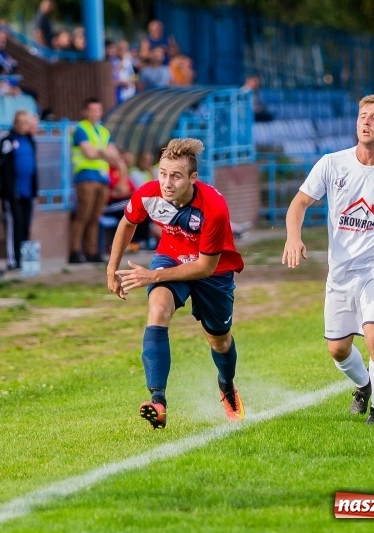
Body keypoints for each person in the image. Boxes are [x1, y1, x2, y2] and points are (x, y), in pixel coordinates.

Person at [282, 94, 374, 425]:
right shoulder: (332, 163)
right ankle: (364, 386)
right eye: (363, 115)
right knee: (338, 349)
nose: (366, 121)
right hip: (341, 272)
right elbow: (299, 203)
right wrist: (293, 236)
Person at [107, 138, 245, 429]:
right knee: (157, 310)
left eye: (176, 176)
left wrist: (152, 276)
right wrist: (111, 268)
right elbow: (127, 223)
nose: (167, 183)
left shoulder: (214, 208)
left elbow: (204, 267)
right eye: (163, 173)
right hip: (170, 257)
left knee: (219, 340)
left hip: (214, 271)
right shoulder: (148, 194)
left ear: (193, 178)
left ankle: (227, 385)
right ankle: (158, 401)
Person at [69, 97, 125, 264]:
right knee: (83, 215)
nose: (95, 113)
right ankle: (75, 251)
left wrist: (102, 153)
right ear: (85, 112)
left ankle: (91, 251)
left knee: (96, 216)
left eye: (98, 110)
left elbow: (113, 154)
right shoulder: (81, 129)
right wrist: (105, 153)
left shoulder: (103, 131)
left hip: (102, 177)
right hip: (86, 176)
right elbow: (89, 153)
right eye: (92, 110)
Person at [0, 110, 38, 271]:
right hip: (12, 193)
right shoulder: (5, 139)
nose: (22, 125)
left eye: (25, 122)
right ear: (14, 122)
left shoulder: (30, 140)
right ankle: (12, 260)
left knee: (24, 226)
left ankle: (23, 259)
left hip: (28, 192)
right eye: (19, 121)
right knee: (13, 226)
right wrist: (5, 185)